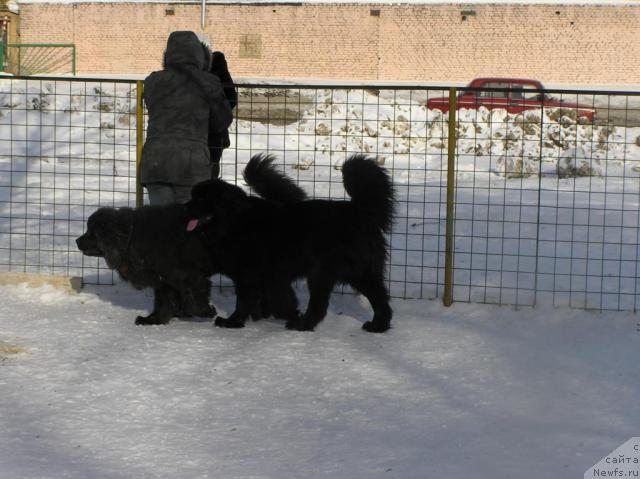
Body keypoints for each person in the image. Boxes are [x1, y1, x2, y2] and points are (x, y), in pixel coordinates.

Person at [140, 31, 233, 205]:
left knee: (163, 222)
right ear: (198, 54)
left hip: (155, 162)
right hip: (191, 165)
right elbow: (223, 120)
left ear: (168, 54)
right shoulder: (208, 82)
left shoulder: (152, 81)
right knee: (187, 223)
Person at [202, 46, 238, 178]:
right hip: (217, 132)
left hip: (202, 131)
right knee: (213, 164)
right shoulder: (222, 78)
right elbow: (232, 100)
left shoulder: (205, 78)